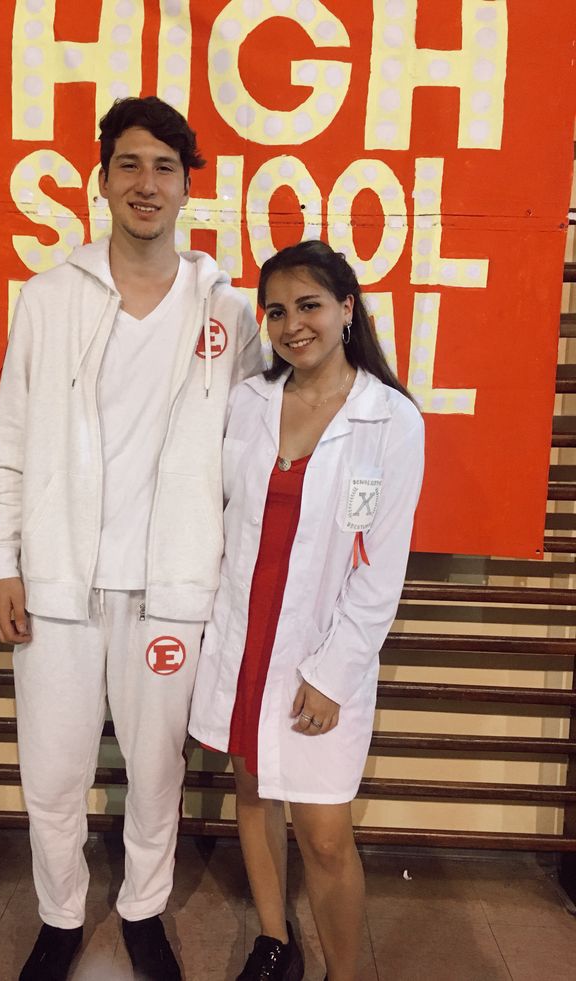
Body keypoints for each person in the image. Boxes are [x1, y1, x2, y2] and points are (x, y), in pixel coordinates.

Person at [0, 96, 263, 981]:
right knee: (53, 774)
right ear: (103, 181)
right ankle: (61, 915)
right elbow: (10, 439)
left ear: (188, 189)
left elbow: (253, 448)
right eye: (131, 165)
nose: (148, 183)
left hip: (173, 587)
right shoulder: (50, 298)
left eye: (166, 168)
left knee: (155, 773)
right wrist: (3, 562)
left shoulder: (230, 314)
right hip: (59, 587)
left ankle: (142, 908)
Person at [189, 240, 425, 981]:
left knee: (324, 834)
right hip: (245, 632)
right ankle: (274, 941)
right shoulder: (249, 402)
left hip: (322, 650)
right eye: (279, 310)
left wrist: (331, 673)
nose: (294, 325)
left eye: (311, 305)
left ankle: (344, 973)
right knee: (254, 792)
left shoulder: (391, 420)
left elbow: (381, 570)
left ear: (348, 310)